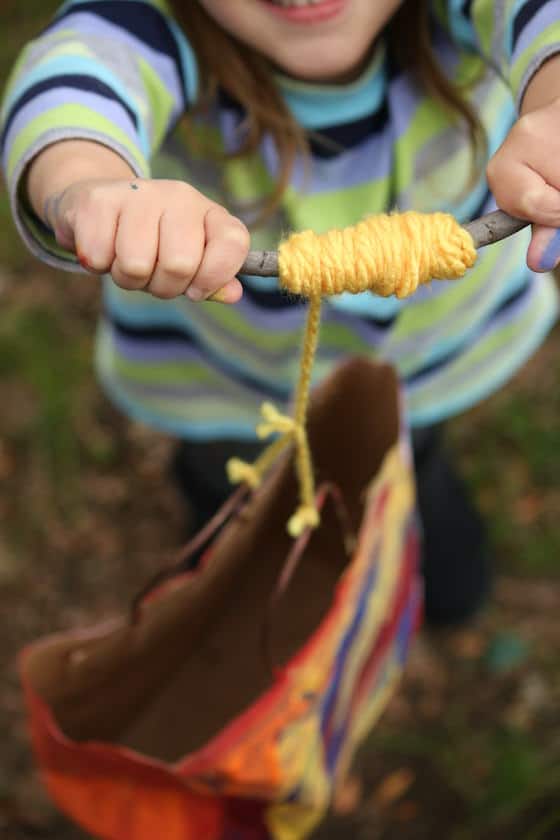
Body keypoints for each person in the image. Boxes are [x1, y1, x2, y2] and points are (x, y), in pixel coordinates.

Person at [2, 0, 560, 625]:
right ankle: (237, 596)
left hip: (425, 362)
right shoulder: (149, 21)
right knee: (235, 503)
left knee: (407, 458)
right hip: (233, 385)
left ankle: (427, 561)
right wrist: (88, 185)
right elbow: (73, 85)